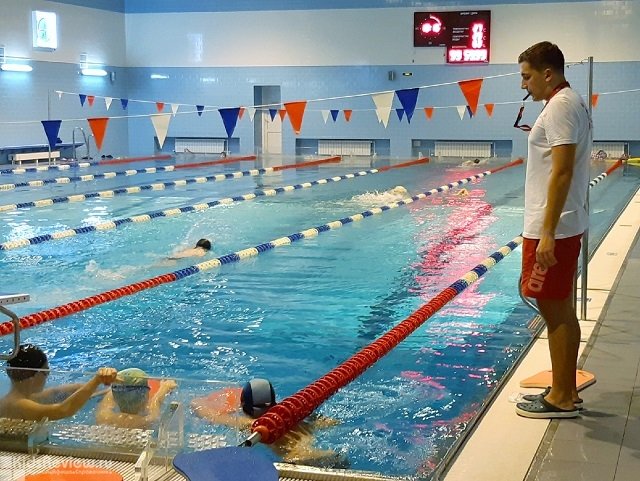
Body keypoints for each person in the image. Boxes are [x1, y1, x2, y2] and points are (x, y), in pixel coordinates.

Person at [514, 41, 592, 419]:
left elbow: (562, 172)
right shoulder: (567, 102)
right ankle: (565, 389)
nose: (523, 85)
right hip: (559, 224)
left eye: (527, 76)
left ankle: (561, 397)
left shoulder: (560, 106)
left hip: (555, 228)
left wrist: (546, 233)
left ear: (548, 73)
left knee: (554, 308)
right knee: (558, 306)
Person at [191, 378, 345, 467]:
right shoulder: (291, 417)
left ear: (245, 407)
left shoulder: (251, 424)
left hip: (299, 459)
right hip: (322, 454)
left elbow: (202, 410)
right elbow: (330, 422)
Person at [0, 344, 117, 421]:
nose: (48, 375)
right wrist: (96, 380)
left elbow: (60, 391)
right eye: (45, 371)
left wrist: (105, 391)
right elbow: (62, 410)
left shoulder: (23, 397)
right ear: (32, 376)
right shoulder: (19, 405)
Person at [96, 367, 177, 429]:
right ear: (145, 395)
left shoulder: (103, 417)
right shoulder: (145, 421)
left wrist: (118, 384)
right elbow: (156, 405)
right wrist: (164, 388)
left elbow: (108, 400)